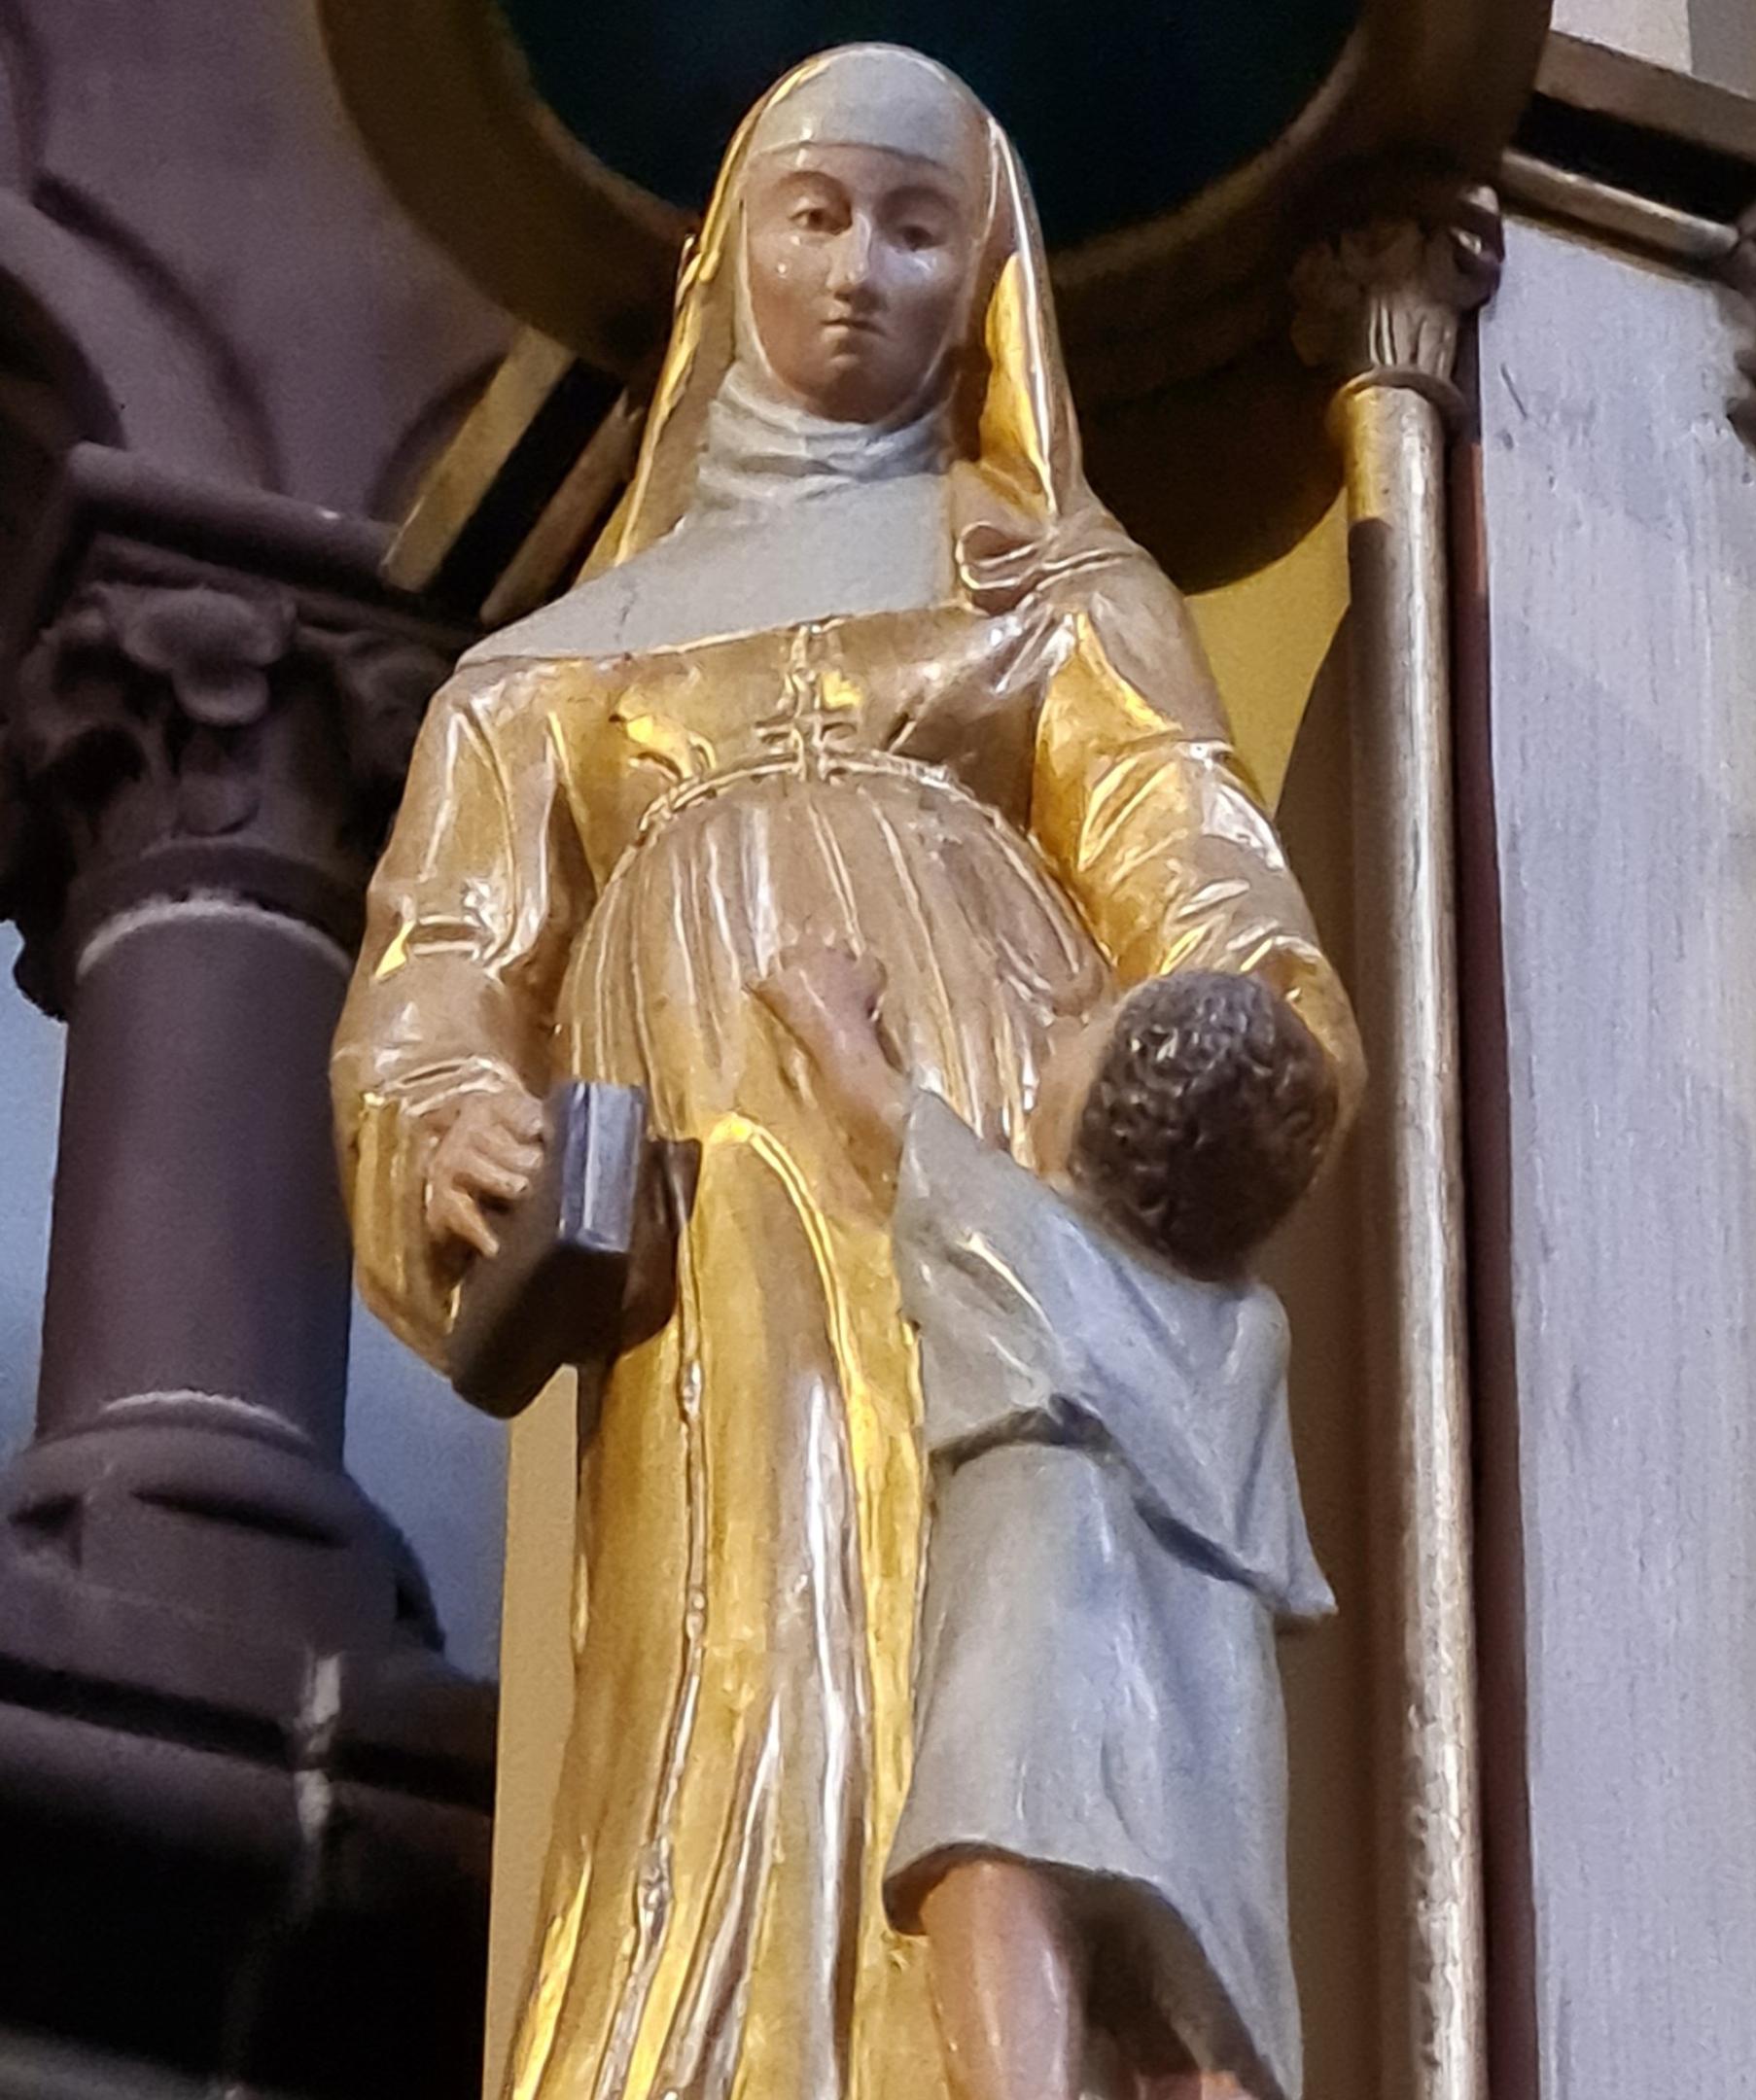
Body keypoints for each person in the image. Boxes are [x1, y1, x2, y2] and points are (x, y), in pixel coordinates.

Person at [332, 45, 1359, 2100]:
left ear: (984, 276)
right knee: (739, 1656)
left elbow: (1200, 881)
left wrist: (1229, 1045)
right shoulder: (552, 669)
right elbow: (434, 975)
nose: (865, 272)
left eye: (921, 230)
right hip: (705, 1248)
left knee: (975, 1644)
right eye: (820, 214)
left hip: (983, 1180)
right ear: (735, 252)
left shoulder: (1046, 588)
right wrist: (446, 1125)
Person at [758, 943, 1338, 2100]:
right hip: (1212, 1704)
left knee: (1004, 1873)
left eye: (1085, 1034)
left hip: (1040, 1653)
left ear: (1101, 1115)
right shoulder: (1255, 1329)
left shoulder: (1023, 1231)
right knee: (1202, 2004)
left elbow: (875, 1109)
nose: (1058, 1035)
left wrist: (822, 1002)